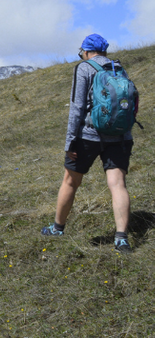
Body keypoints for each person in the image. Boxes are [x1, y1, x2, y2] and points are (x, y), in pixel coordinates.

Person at [42, 34, 136, 253]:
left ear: (85, 51)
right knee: (118, 184)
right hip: (121, 135)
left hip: (89, 136)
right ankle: (121, 239)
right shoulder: (118, 68)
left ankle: (57, 228)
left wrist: (70, 142)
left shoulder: (84, 68)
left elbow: (76, 108)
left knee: (70, 181)